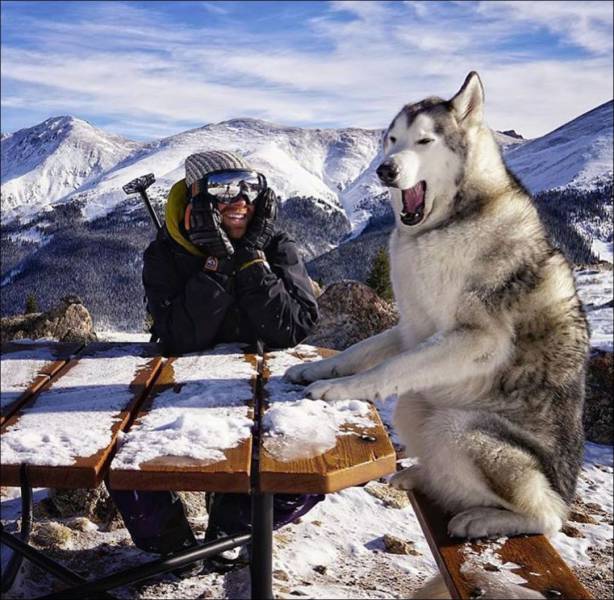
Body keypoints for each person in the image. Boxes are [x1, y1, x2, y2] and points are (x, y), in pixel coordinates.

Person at [107, 150, 321, 573]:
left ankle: (231, 529)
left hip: (260, 392)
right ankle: (170, 545)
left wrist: (251, 260)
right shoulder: (165, 253)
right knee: (121, 462)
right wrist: (217, 267)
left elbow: (294, 326)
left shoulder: (275, 247)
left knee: (309, 472)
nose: (239, 199)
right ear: (197, 199)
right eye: (223, 188)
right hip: (177, 392)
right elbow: (178, 339)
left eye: (249, 186)